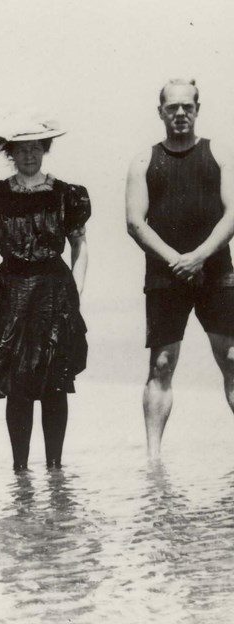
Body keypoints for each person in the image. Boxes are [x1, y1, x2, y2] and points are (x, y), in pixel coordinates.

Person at [0, 120, 90, 470]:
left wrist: (75, 293)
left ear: (46, 149)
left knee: (55, 383)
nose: (29, 155)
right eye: (21, 149)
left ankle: (55, 469)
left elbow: (80, 246)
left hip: (54, 291)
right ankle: (20, 471)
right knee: (18, 385)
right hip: (10, 292)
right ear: (10, 153)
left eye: (36, 147)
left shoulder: (67, 193)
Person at [126, 78, 234, 458]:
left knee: (232, 358)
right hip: (164, 275)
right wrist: (177, 260)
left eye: (187, 106)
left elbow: (233, 213)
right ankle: (154, 459)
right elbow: (135, 223)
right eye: (172, 107)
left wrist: (200, 256)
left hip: (217, 270)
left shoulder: (218, 153)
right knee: (162, 363)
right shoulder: (144, 160)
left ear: (198, 109)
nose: (181, 113)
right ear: (161, 112)